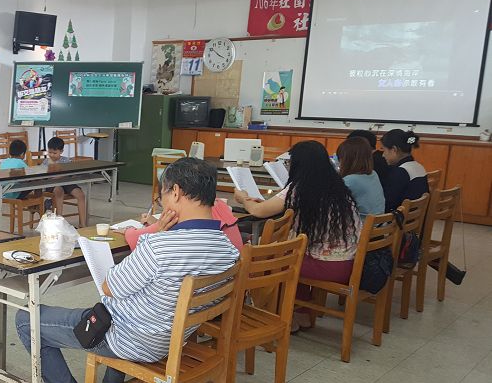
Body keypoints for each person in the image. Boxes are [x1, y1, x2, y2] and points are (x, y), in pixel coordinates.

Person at [16, 158, 239, 383]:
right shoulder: (228, 250)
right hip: (171, 340)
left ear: (176, 192)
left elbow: (110, 287)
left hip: (131, 340)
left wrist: (153, 234)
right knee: (129, 306)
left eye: (163, 195)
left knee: (26, 319)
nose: (162, 203)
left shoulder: (159, 246)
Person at [235, 140, 361, 330]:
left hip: (327, 266)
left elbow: (258, 212)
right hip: (347, 262)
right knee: (294, 252)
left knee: (275, 259)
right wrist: (266, 203)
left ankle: (272, 315)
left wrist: (243, 198)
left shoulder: (300, 187)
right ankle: (301, 315)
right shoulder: (335, 184)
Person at [117, 198, 244, 251]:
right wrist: (156, 223)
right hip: (226, 287)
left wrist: (128, 230)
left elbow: (136, 238)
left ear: (176, 192)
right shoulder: (220, 204)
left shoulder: (182, 211)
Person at [380, 129, 429, 212]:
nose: (383, 155)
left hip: (401, 218)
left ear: (394, 149)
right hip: (415, 217)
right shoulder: (419, 166)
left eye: (384, 150)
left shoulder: (401, 171)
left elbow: (388, 203)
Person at [43, 136, 87, 227]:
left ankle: (82, 224)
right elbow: (43, 176)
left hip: (66, 183)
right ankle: (59, 222)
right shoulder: (46, 162)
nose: (52, 155)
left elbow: (71, 173)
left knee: (81, 195)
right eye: (50, 152)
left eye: (55, 153)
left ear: (61, 151)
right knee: (59, 191)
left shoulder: (66, 160)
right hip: (52, 184)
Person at [337, 137, 385, 218]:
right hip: (380, 223)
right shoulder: (373, 174)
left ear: (346, 160)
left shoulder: (350, 181)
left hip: (363, 224)